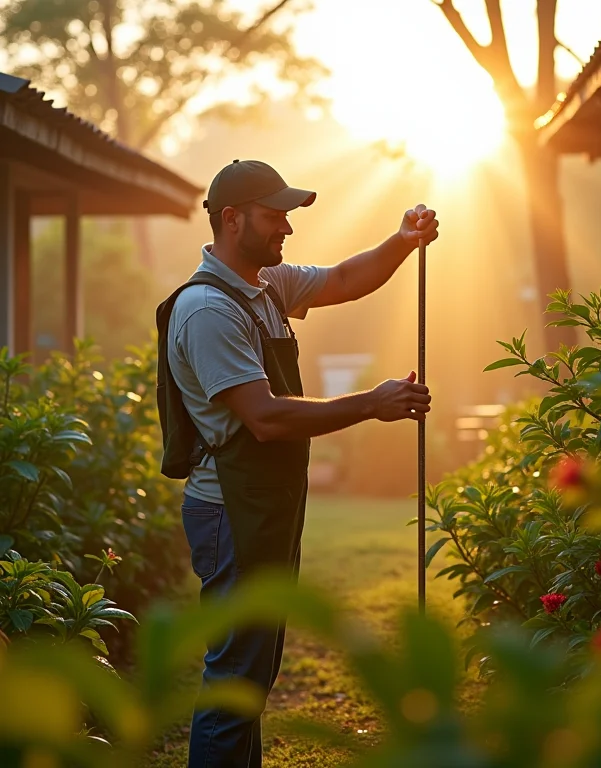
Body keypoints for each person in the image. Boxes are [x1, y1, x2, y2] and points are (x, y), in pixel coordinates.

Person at [155, 159, 439, 768]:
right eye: (274, 214)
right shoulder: (209, 311)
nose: (286, 227)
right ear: (233, 220)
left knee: (251, 676)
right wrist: (370, 403)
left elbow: (341, 278)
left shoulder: (264, 287)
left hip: (263, 501)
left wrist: (402, 239)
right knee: (235, 676)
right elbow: (265, 417)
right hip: (231, 509)